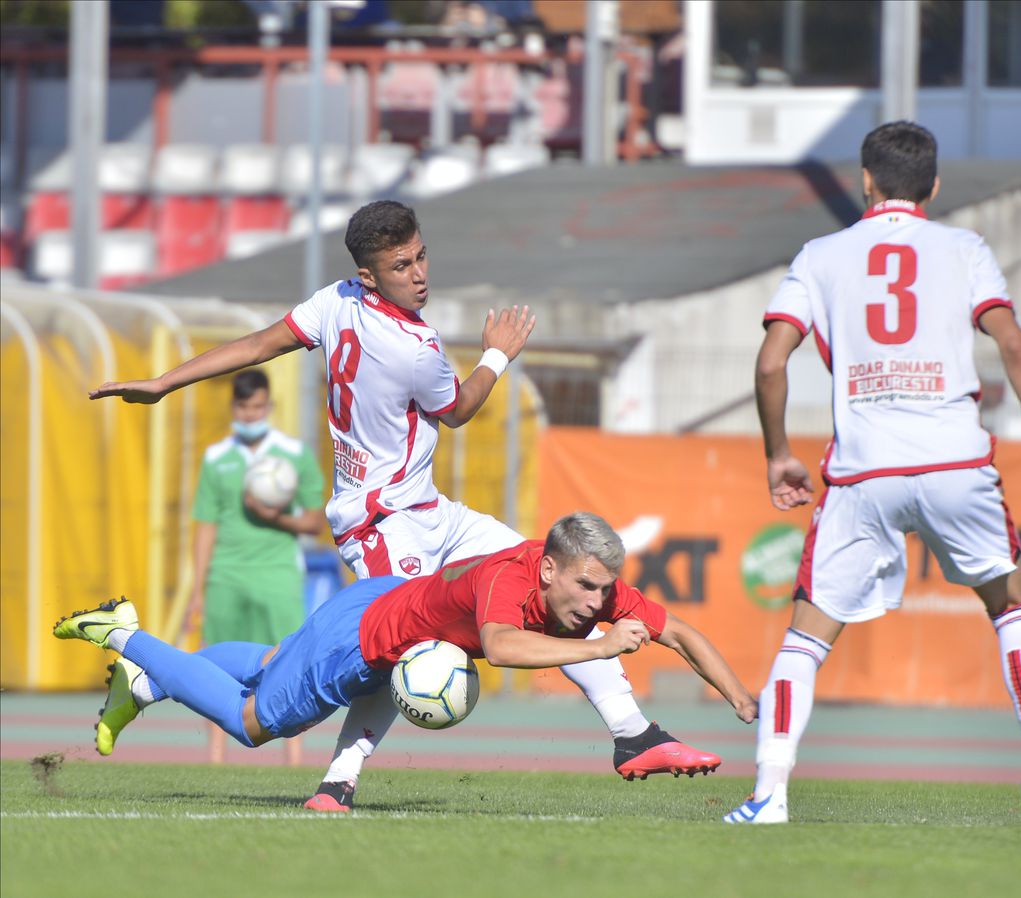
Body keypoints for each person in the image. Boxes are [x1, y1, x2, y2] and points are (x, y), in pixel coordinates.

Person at [89, 200, 722, 811]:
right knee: (392, 648)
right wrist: (497, 354)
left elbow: (260, 344)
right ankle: (336, 780)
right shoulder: (414, 345)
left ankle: (634, 735)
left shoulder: (336, 300)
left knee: (546, 580)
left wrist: (165, 382)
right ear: (369, 275)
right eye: (401, 265)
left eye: (421, 256)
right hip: (382, 527)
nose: (419, 274)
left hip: (430, 510)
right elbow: (460, 410)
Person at [723, 122, 1021, 827]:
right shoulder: (965, 249)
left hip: (863, 472)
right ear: (933, 186)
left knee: (806, 640)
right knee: (1012, 609)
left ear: (865, 182)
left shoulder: (820, 255)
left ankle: (767, 795)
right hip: (955, 462)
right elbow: (1012, 344)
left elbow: (772, 362)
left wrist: (777, 452)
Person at [54, 512, 758, 791]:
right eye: (586, 587)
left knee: (271, 665)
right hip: (361, 640)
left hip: (382, 600)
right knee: (254, 722)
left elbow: (681, 633)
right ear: (548, 569)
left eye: (605, 590)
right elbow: (502, 647)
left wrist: (738, 696)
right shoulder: (507, 581)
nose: (598, 602)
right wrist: (601, 646)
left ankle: (142, 686)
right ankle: (123, 634)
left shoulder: (590, 587)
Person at [189, 368, 325, 765]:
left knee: (286, 665)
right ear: (234, 407)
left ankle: (294, 758)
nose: (251, 415)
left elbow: (315, 523)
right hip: (226, 575)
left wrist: (272, 516)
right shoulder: (216, 458)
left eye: (259, 407)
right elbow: (206, 526)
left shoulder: (294, 454)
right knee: (216, 667)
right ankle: (215, 758)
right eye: (245, 408)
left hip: (277, 574)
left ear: (270, 406)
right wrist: (198, 589)